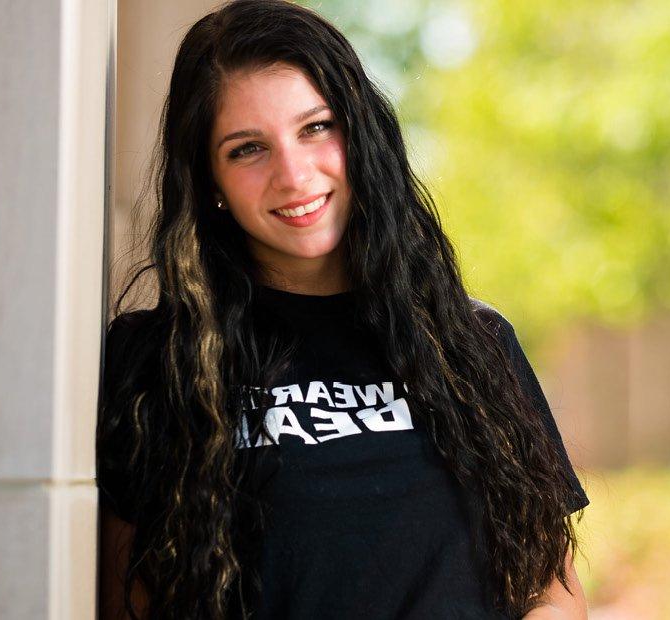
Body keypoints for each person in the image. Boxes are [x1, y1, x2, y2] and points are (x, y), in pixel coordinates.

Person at [95, 1, 590, 618]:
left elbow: (552, 590)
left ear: (361, 135)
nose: (294, 174)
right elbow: (127, 603)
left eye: (316, 127)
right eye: (248, 149)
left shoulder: (473, 344)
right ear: (209, 182)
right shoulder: (155, 364)